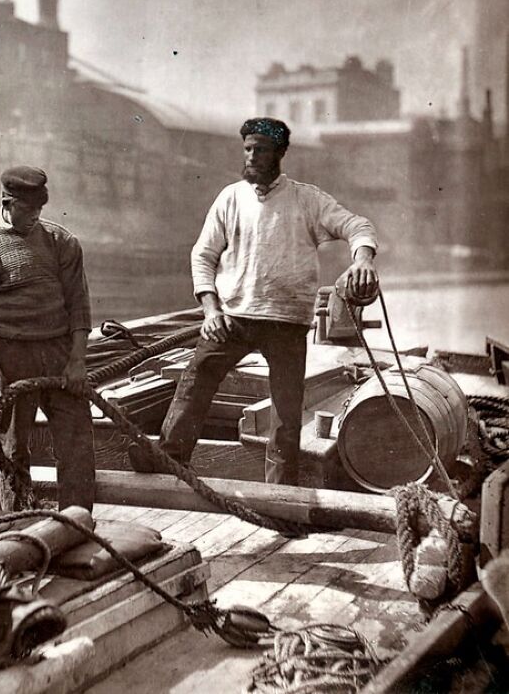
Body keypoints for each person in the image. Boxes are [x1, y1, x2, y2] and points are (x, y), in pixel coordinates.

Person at [128, 117, 378, 485]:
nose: (252, 156)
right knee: (194, 383)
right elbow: (203, 255)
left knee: (286, 414)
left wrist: (363, 259)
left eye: (260, 149)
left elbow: (358, 226)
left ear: (279, 152)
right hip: (231, 318)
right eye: (247, 149)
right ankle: (170, 459)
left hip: (287, 324)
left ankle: (280, 494)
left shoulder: (307, 200)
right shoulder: (230, 198)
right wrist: (210, 308)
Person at [0, 165, 95, 512]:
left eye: (40, 210)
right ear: (7, 202)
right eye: (28, 210)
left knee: (76, 442)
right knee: (13, 448)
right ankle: (19, 526)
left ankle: (77, 521)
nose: (35, 217)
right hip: (12, 356)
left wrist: (77, 360)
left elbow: (78, 305)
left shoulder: (61, 242)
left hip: (59, 351)